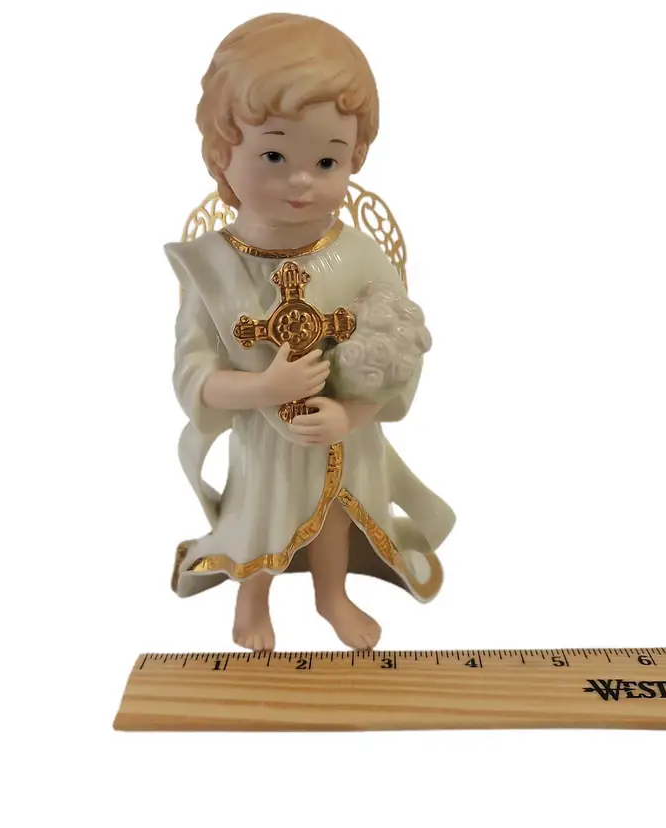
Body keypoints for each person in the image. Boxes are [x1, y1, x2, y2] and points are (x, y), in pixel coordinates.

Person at [164, 13, 455, 652]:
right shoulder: (213, 268)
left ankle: (332, 596)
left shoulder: (358, 257)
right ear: (222, 153)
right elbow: (193, 374)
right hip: (264, 444)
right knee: (261, 517)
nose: (301, 179)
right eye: (274, 155)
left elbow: (398, 356)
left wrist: (351, 414)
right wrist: (262, 388)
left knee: (334, 518)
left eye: (327, 160)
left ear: (355, 158)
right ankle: (252, 603)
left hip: (344, 436)